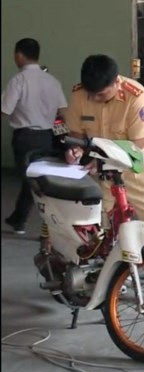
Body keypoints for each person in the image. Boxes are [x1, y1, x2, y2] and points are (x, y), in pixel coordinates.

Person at [63, 54, 144, 291]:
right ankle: (109, 282)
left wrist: (103, 160)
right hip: (104, 173)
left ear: (116, 83)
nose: (94, 98)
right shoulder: (80, 94)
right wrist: (75, 151)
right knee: (102, 229)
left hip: (138, 169)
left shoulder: (136, 97)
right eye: (91, 94)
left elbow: (138, 146)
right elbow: (77, 135)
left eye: (101, 94)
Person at [2, 38, 67, 235]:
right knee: (35, 178)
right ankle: (19, 218)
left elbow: (5, 110)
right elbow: (63, 110)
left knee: (32, 182)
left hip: (25, 138)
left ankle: (33, 223)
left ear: (19, 55)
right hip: (47, 137)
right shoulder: (53, 81)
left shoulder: (19, 80)